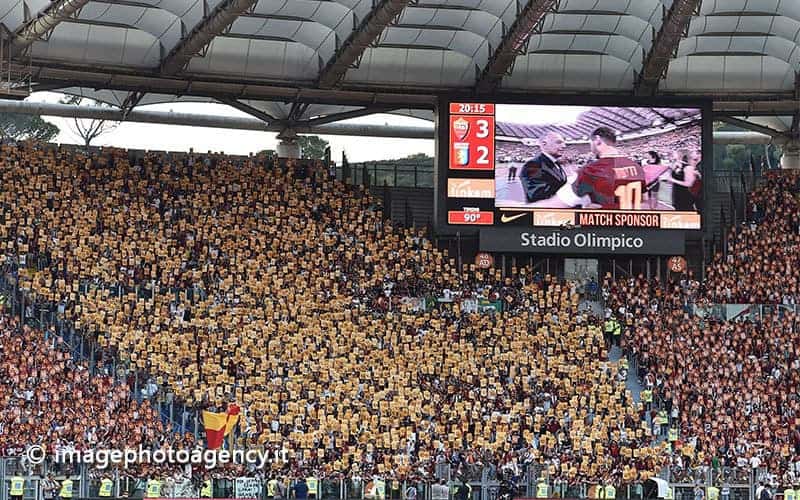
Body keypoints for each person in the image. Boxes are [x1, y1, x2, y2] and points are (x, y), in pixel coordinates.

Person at [518, 132, 568, 203]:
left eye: (564, 143)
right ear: (544, 144)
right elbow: (537, 194)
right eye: (559, 142)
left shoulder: (555, 163)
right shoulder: (533, 165)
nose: (564, 146)